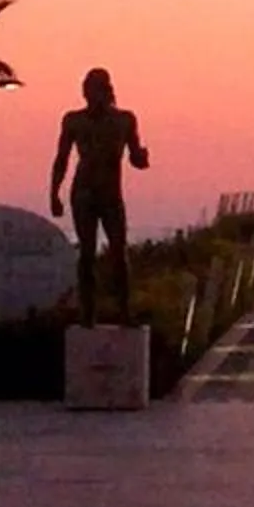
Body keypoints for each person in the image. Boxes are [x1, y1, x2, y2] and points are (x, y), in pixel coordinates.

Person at [48, 67, 150, 325]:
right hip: (83, 192)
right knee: (87, 253)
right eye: (88, 89)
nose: (91, 95)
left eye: (96, 89)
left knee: (118, 251)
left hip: (110, 192)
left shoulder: (124, 120)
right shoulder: (74, 120)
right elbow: (61, 158)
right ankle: (87, 312)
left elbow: (136, 156)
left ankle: (124, 311)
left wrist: (141, 158)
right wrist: (54, 193)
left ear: (106, 90)